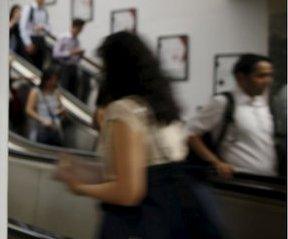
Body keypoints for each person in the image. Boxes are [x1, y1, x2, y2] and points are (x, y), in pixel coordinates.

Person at [55, 32, 223, 238]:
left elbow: (129, 192)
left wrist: (79, 187)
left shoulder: (123, 110)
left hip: (139, 225)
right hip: (174, 217)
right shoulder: (164, 108)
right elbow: (143, 170)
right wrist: (84, 169)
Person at [187, 54, 278, 177]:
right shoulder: (223, 102)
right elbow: (191, 134)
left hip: (268, 178)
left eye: (270, 75)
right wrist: (216, 162)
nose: (268, 81)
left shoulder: (263, 104)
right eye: (261, 76)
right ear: (241, 78)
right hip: (238, 180)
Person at [25, 68, 65, 146]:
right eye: (51, 80)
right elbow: (28, 110)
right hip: (41, 129)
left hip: (55, 128)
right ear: (45, 80)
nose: (53, 82)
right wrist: (42, 119)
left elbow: (61, 108)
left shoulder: (57, 93)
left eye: (55, 80)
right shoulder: (35, 92)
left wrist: (61, 112)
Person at [52, 18, 86, 98]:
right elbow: (55, 54)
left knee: (73, 92)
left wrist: (79, 55)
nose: (80, 32)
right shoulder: (63, 37)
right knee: (63, 89)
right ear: (73, 27)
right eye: (79, 29)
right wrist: (71, 53)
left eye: (81, 30)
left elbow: (76, 58)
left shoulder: (77, 40)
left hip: (73, 67)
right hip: (63, 67)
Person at [19, 0, 50, 70]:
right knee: (30, 66)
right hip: (31, 39)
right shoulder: (28, 8)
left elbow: (49, 28)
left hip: (41, 39)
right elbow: (22, 27)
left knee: (40, 66)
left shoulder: (45, 11)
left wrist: (43, 27)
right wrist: (28, 43)